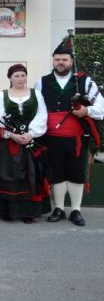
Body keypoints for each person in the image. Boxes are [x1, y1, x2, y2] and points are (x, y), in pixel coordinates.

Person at [34, 39, 104, 226]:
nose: (60, 63)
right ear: (53, 61)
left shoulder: (85, 81)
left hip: (78, 137)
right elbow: (38, 110)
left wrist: (86, 111)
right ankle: (58, 208)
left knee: (76, 173)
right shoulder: (41, 82)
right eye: (57, 59)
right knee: (57, 173)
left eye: (64, 59)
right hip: (52, 137)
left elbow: (101, 108)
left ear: (71, 61)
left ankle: (76, 210)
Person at [0, 64, 49, 223]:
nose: (20, 79)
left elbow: (42, 115)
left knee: (30, 175)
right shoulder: (2, 95)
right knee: (8, 174)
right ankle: (8, 211)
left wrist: (31, 133)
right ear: (10, 78)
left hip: (31, 141)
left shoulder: (36, 94)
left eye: (22, 75)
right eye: (16, 76)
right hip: (9, 142)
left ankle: (28, 212)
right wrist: (12, 135)